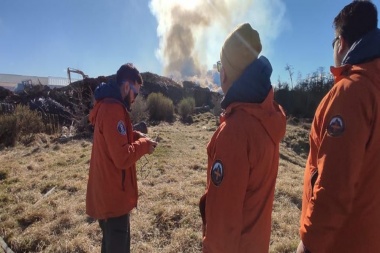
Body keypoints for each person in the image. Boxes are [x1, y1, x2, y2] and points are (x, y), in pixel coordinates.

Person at [297, 1, 380, 252]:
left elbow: (333, 186)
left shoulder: (350, 92)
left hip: (340, 242)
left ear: (341, 43)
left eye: (333, 43)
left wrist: (308, 246)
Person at [199, 23, 286, 252]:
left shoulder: (235, 132)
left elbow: (223, 226)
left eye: (219, 65)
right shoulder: (267, 116)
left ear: (226, 71)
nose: (219, 72)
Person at [86, 63, 157, 253]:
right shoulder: (113, 109)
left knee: (110, 245)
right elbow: (122, 157)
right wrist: (143, 146)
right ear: (126, 86)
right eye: (135, 93)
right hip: (113, 199)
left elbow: (115, 139)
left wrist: (135, 136)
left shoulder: (109, 105)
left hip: (109, 194)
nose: (134, 99)